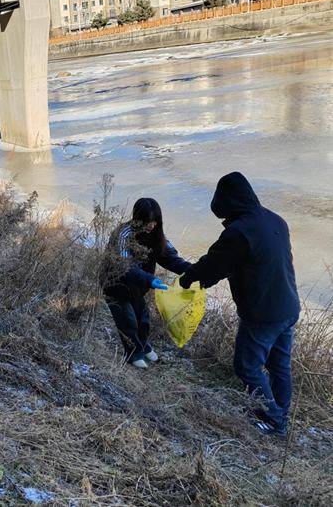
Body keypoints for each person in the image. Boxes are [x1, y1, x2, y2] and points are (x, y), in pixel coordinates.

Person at [180, 172, 300, 436]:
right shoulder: (275, 219)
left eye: (224, 215)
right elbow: (243, 262)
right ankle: (279, 414)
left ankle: (273, 420)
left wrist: (189, 278)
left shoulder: (240, 232)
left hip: (263, 313)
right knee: (279, 365)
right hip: (289, 306)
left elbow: (215, 263)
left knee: (246, 365)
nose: (224, 221)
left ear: (230, 203)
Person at [104, 198, 191, 369]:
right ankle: (133, 354)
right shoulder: (123, 234)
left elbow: (170, 257)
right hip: (115, 284)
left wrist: (192, 271)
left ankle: (143, 346)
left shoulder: (157, 235)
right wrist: (150, 279)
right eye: (147, 221)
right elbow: (125, 265)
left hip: (137, 287)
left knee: (143, 319)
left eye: (155, 220)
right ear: (137, 219)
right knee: (127, 321)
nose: (151, 225)